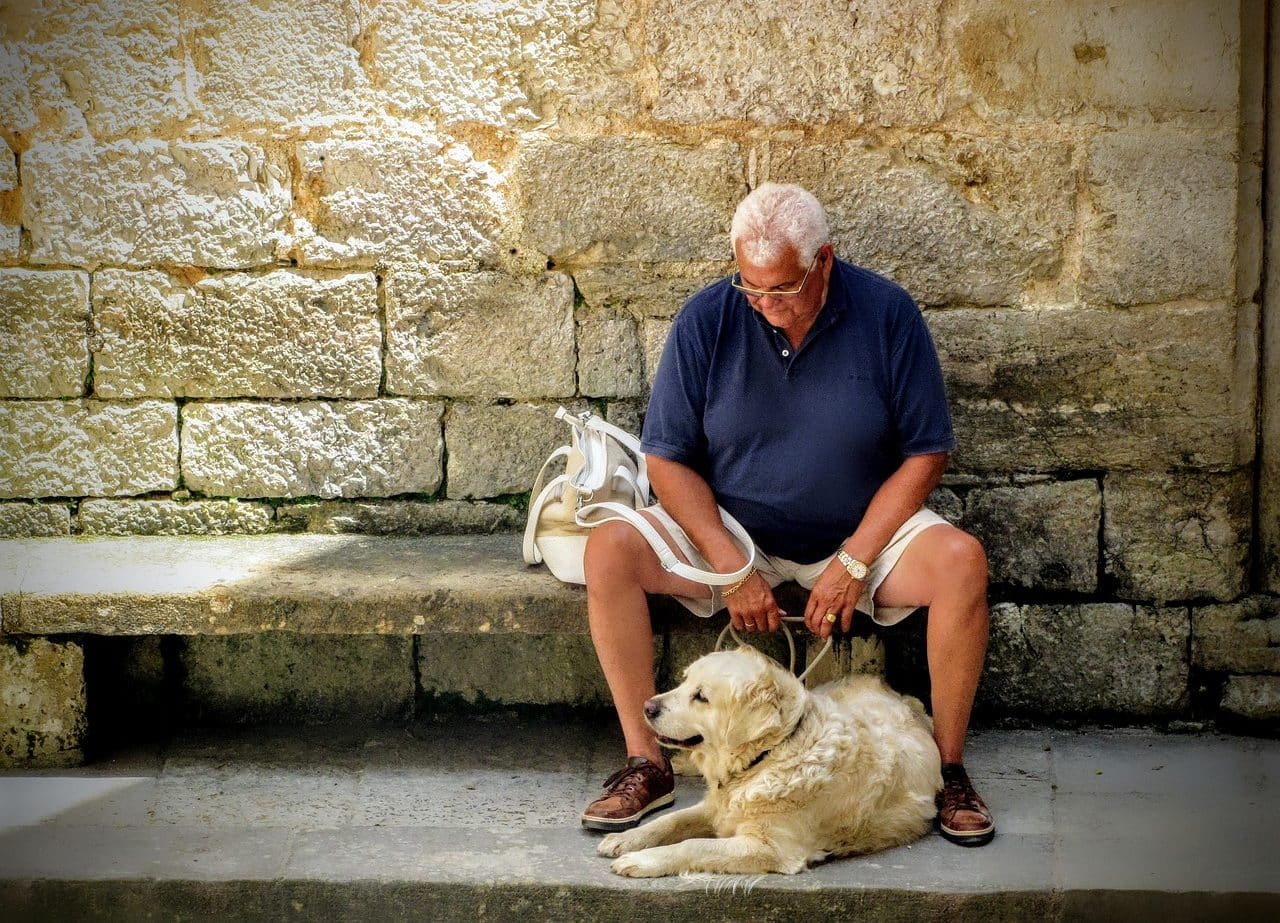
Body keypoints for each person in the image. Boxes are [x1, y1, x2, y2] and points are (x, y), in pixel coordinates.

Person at [579, 182, 995, 847]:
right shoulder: (708, 317)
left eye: (783, 288)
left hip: (862, 533)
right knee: (608, 549)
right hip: (735, 533)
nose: (765, 305)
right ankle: (646, 761)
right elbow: (667, 460)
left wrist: (855, 558)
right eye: (751, 287)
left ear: (823, 261)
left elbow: (926, 453)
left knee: (961, 562)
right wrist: (730, 563)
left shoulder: (887, 313)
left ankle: (948, 771)